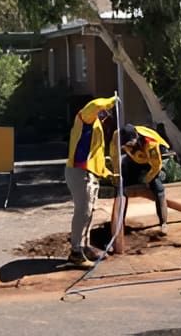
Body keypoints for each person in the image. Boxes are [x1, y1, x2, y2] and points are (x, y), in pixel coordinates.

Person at [64, 96, 116, 267]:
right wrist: (112, 100)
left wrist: (108, 174)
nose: (105, 115)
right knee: (82, 211)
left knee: (89, 211)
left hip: (90, 173)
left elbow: (97, 157)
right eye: (105, 112)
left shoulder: (96, 127)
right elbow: (95, 105)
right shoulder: (84, 118)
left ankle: (84, 246)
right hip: (80, 172)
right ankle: (76, 252)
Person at [119, 123, 171, 234]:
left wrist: (146, 180)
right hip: (132, 161)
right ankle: (119, 225)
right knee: (121, 188)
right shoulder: (118, 138)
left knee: (158, 189)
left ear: (136, 138)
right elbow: (114, 155)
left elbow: (156, 166)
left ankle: (163, 224)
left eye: (129, 144)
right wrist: (115, 174)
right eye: (124, 145)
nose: (127, 147)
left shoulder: (151, 144)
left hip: (150, 162)